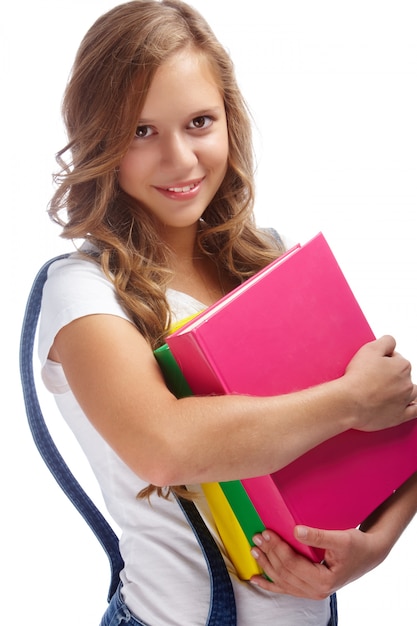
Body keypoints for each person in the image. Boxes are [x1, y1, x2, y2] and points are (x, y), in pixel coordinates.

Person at [38, 1, 417, 624]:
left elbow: (392, 428)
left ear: (230, 122)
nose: (181, 159)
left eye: (199, 122)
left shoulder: (269, 260)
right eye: (141, 130)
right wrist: (349, 399)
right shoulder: (82, 291)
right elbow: (167, 446)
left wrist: (372, 547)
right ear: (98, 137)